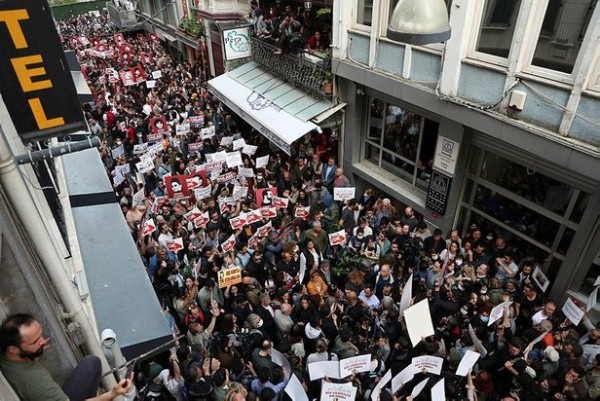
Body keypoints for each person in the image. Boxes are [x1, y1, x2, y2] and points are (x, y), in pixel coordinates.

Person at [0, 313, 133, 401]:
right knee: (91, 364)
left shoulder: (7, 354)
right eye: (35, 342)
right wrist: (112, 393)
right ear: (13, 349)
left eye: (40, 336)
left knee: (91, 364)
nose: (43, 341)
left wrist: (35, 351)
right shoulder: (38, 382)